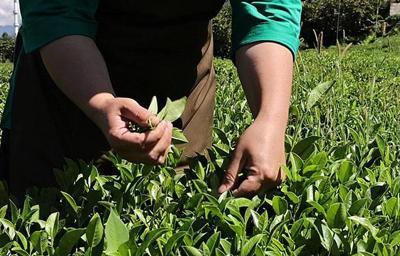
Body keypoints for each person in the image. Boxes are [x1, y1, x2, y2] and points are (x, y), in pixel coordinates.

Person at [0, 0, 302, 199]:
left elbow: (268, 10)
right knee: (56, 214)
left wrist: (270, 121)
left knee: (175, 213)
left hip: (180, 73)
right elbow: (57, 12)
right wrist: (101, 103)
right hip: (66, 77)